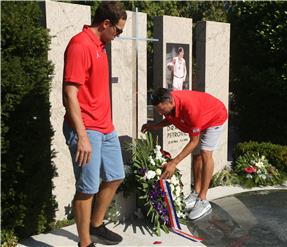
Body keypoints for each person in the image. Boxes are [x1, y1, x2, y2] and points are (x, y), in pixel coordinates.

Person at [62, 2, 126, 247]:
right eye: (117, 31)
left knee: (116, 176)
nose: (117, 36)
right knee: (87, 187)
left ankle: (96, 224)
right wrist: (82, 137)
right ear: (106, 24)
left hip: (105, 126)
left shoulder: (101, 46)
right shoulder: (80, 45)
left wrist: (108, 124)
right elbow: (70, 93)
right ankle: (85, 243)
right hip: (86, 129)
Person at [141, 88, 228, 220]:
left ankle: (203, 200)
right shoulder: (170, 105)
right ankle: (196, 192)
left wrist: (173, 162)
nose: (160, 113)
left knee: (205, 152)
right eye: (158, 110)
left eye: (161, 110)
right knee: (196, 154)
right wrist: (155, 126)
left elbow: (193, 142)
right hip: (202, 116)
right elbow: (171, 118)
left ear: (169, 101)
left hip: (215, 116)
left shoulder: (190, 109)